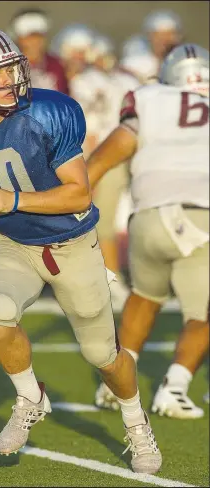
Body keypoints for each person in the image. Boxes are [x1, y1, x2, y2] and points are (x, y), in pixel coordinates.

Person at [0, 26, 162, 473]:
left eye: (10, 70)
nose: (10, 82)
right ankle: (31, 397)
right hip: (12, 242)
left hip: (72, 243)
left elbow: (79, 194)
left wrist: (15, 200)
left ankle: (136, 422)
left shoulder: (48, 113)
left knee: (102, 355)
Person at [86, 44, 209, 419]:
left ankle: (115, 383)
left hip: (145, 215)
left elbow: (116, 147)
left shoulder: (150, 98)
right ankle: (175, 387)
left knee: (144, 296)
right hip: (198, 216)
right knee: (202, 314)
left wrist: (78, 189)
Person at [70, 33, 140, 309]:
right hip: (130, 153)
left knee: (103, 223)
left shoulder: (85, 82)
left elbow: (87, 129)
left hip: (105, 155)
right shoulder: (128, 81)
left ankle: (112, 280)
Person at [9, 8, 68, 94]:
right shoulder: (9, 66)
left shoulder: (56, 64)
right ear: (19, 39)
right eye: (29, 37)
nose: (35, 42)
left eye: (39, 36)